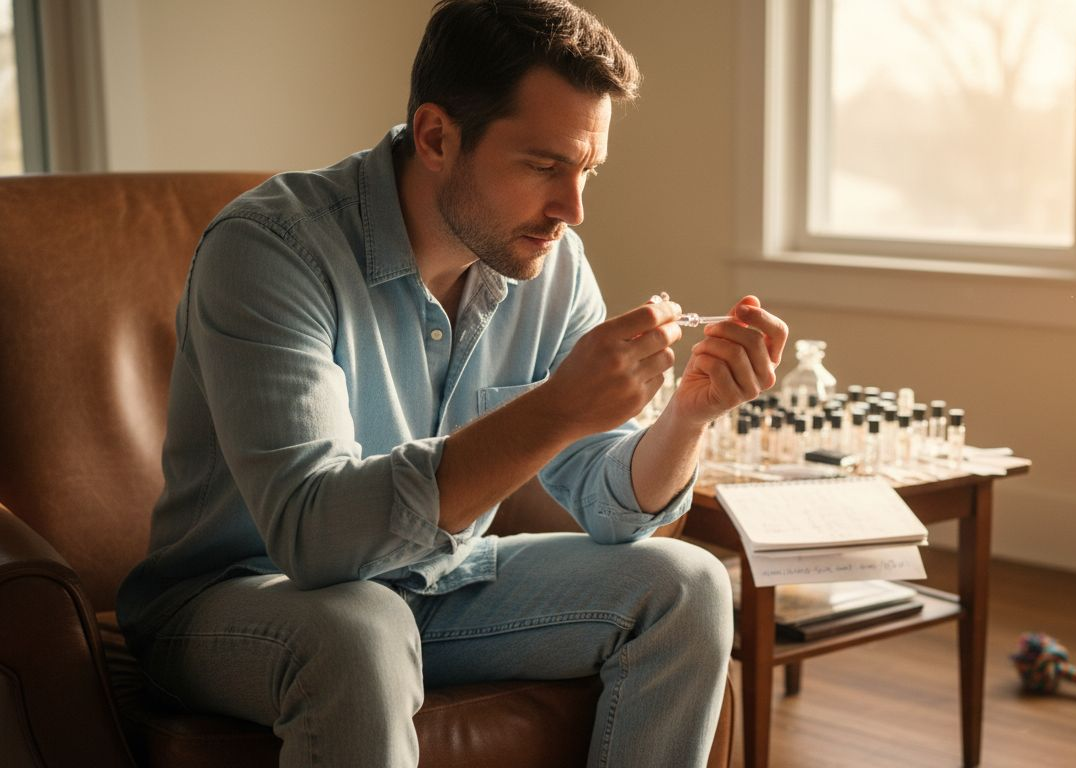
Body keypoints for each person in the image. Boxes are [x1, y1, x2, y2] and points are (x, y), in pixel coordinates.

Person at [115, 1, 787, 766]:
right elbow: (312, 537)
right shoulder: (271, 251)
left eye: (586, 171)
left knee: (688, 584)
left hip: (435, 583)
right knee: (358, 624)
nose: (572, 209)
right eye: (543, 166)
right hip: (237, 599)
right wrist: (556, 408)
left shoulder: (547, 260)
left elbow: (610, 507)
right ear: (436, 136)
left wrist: (687, 420)